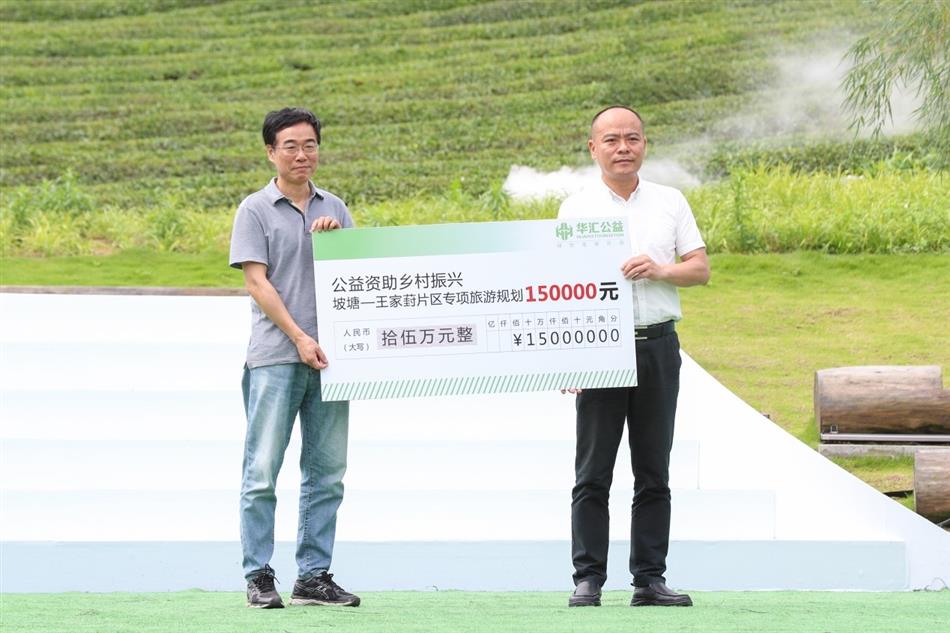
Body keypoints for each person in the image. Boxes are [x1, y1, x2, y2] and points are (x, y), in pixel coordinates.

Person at [559, 105, 710, 608]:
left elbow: (700, 269)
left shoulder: (670, 201)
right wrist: (569, 356)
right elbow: (560, 286)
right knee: (592, 472)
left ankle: (649, 579)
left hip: (658, 346)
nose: (623, 147)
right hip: (601, 350)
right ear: (593, 148)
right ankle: (588, 579)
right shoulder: (574, 209)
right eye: (611, 140)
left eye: (632, 138)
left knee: (653, 471)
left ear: (645, 143)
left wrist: (660, 270)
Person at [229, 107, 359, 609]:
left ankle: (313, 575)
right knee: (262, 470)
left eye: (310, 145)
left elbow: (359, 276)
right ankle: (258, 575)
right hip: (276, 358)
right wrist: (301, 337)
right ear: (271, 152)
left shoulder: (335, 207)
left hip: (333, 360)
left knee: (327, 472)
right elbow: (256, 282)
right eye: (290, 146)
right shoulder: (254, 210)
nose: (302, 154)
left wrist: (336, 242)